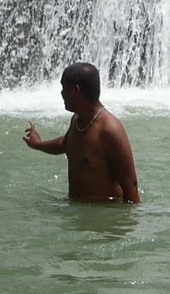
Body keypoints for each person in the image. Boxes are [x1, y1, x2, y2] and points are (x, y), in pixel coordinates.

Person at [22, 62, 141, 203]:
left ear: (75, 91)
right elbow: (65, 144)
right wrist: (37, 143)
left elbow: (131, 186)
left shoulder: (109, 130)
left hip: (104, 215)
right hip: (78, 212)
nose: (61, 93)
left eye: (63, 87)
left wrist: (127, 223)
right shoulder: (78, 119)